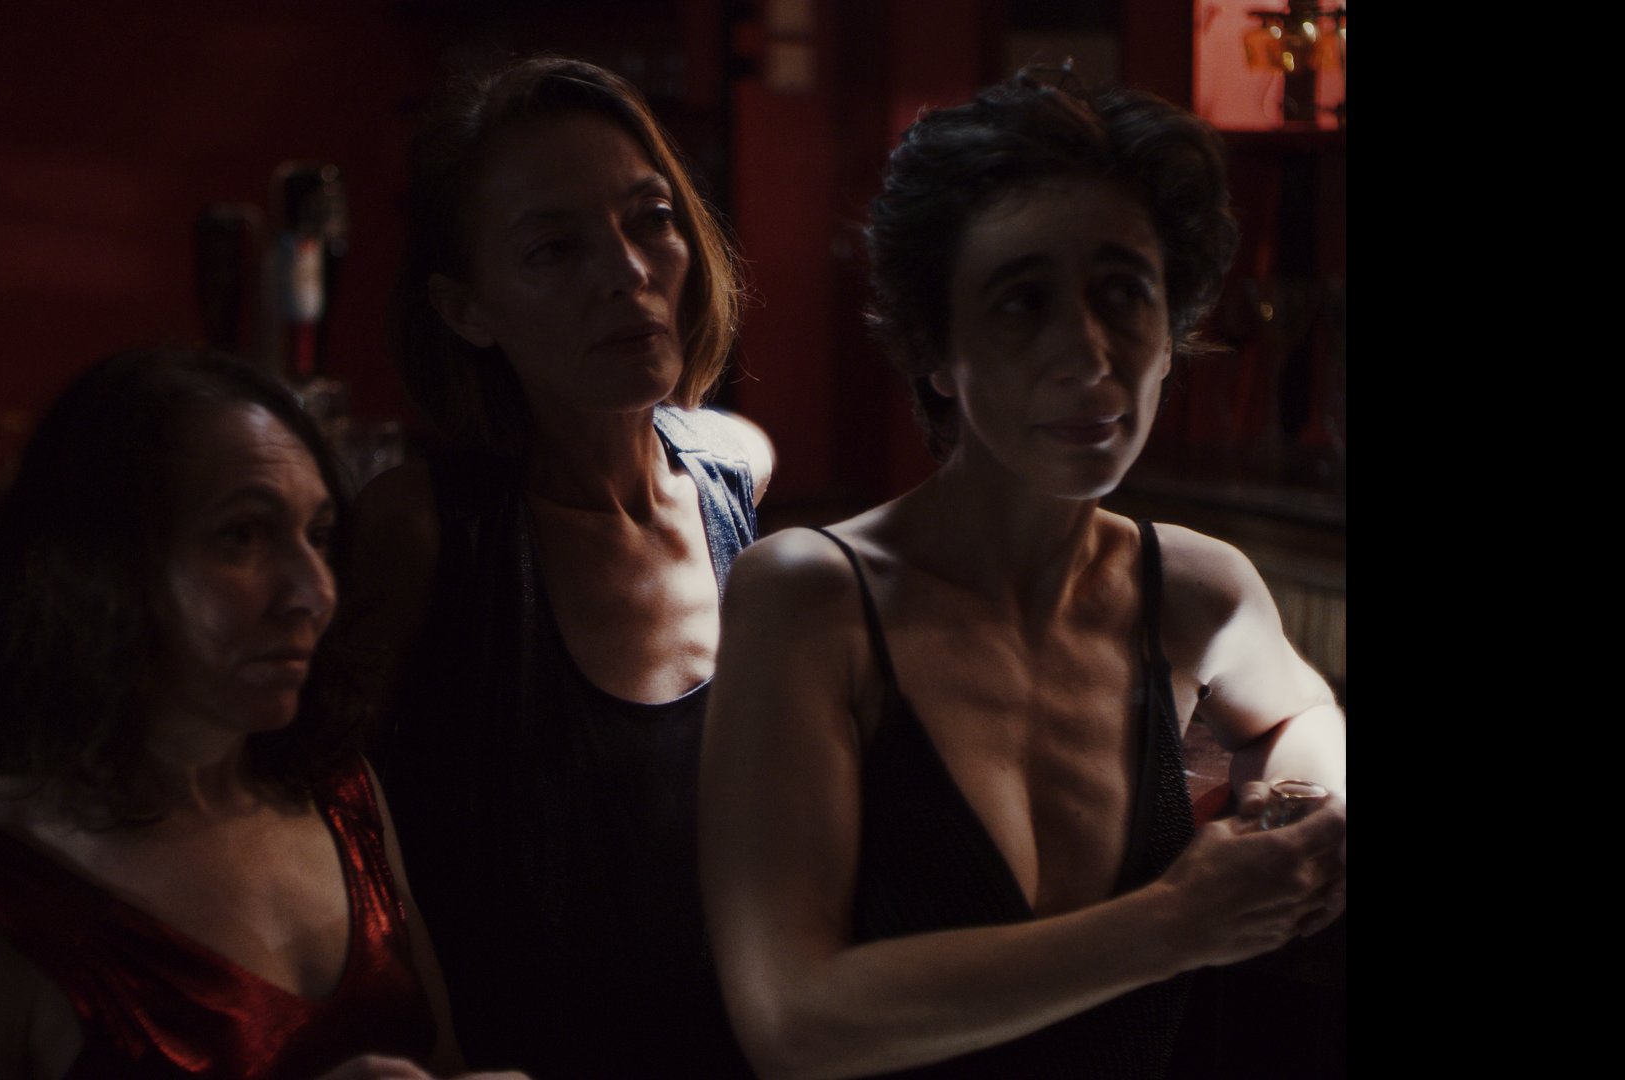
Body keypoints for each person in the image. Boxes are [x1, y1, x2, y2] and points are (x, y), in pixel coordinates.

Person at [698, 70, 1347, 1079]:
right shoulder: (811, 598)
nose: (1086, 353)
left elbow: (1302, 710)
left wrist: (1300, 805)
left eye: (1124, 294)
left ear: (1170, 337)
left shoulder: (1197, 590)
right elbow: (793, 1020)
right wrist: (1177, 923)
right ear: (935, 350)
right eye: (1022, 301)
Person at [0, 348, 519, 1080]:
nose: (314, 592)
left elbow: (439, 1059)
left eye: (318, 535)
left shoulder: (340, 789)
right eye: (242, 536)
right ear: (95, 565)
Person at [346, 56, 770, 1079]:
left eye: (652, 219)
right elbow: (322, 832)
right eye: (553, 248)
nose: (627, 272)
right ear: (466, 309)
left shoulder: (734, 475)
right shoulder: (423, 531)